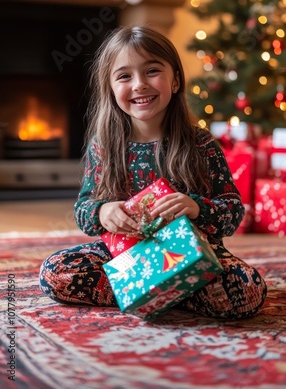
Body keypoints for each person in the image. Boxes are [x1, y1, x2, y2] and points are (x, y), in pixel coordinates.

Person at [39, 25, 267, 319]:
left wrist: (196, 207)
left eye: (152, 71)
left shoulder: (201, 143)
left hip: (190, 253)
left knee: (247, 290)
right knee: (55, 272)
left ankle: (154, 290)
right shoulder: (105, 145)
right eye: (124, 76)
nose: (139, 84)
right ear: (110, 88)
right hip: (125, 256)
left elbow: (234, 211)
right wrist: (103, 212)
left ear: (174, 81)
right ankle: (168, 292)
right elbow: (83, 208)